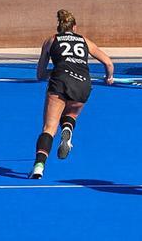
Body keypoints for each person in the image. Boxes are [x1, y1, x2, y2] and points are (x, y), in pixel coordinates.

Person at [30, 9, 114, 179]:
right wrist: (109, 77)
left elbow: (40, 74)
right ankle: (67, 129)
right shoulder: (84, 40)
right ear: (74, 27)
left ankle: (39, 167)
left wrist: (54, 72)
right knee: (71, 114)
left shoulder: (51, 40)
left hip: (59, 82)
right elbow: (108, 62)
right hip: (83, 83)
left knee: (49, 128)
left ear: (59, 26)